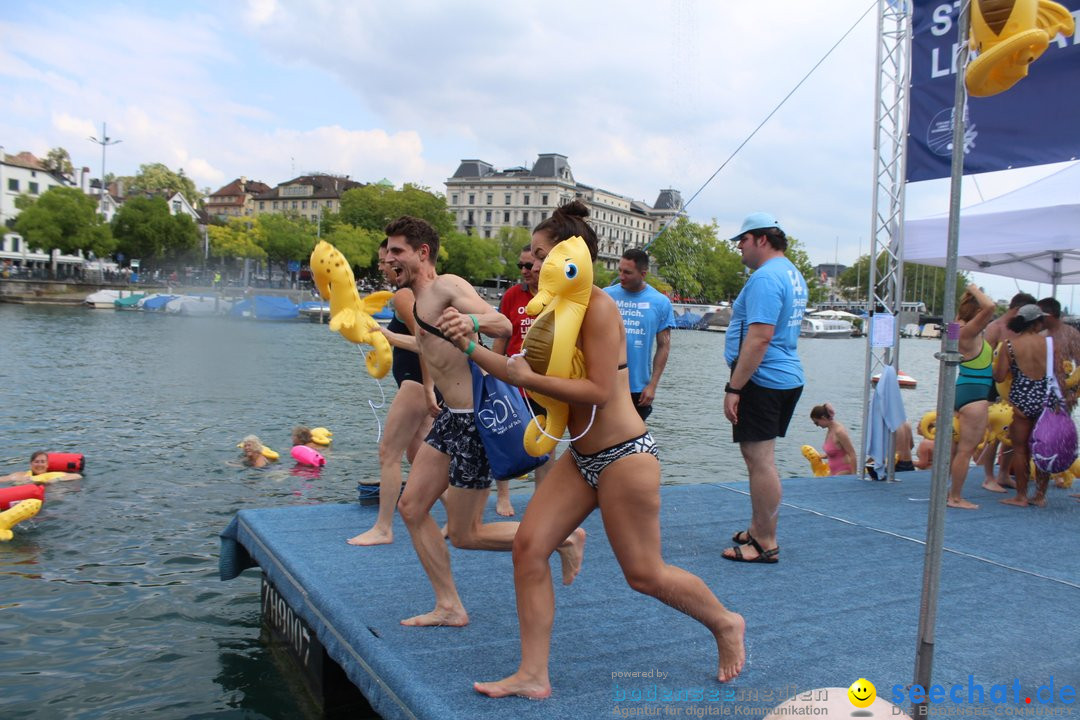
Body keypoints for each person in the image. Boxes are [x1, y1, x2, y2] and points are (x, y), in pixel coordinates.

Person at [466, 201, 744, 699]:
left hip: (623, 456)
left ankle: (725, 622)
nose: (532, 264)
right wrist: (466, 346)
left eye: (541, 253)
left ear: (573, 258)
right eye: (531, 254)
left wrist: (530, 377)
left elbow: (598, 390)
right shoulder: (552, 310)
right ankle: (533, 674)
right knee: (529, 549)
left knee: (644, 575)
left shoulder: (597, 308)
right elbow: (515, 372)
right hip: (581, 457)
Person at [385, 215, 585, 627]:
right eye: (387, 251)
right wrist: (379, 335)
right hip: (451, 421)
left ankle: (563, 538)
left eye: (397, 251)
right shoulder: (418, 301)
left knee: (466, 534)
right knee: (411, 506)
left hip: (475, 422)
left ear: (423, 253)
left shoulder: (447, 286)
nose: (389, 258)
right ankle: (449, 606)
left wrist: (473, 322)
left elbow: (503, 323)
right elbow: (428, 345)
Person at [722, 212, 807, 564]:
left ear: (761, 239)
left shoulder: (765, 278)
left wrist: (734, 387)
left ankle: (764, 541)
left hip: (763, 379)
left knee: (760, 461)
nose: (739, 247)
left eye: (742, 240)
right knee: (759, 459)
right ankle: (758, 528)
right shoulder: (793, 273)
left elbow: (759, 337)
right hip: (785, 374)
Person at [347, 242, 438, 546]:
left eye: (387, 259)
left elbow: (423, 341)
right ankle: (459, 515)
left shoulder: (404, 295)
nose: (383, 265)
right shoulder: (419, 294)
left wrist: (386, 335)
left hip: (415, 383)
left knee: (389, 453)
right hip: (420, 383)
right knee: (418, 454)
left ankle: (384, 528)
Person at [491, 244, 554, 510]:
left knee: (548, 443)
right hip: (513, 381)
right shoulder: (512, 296)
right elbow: (501, 338)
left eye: (529, 266)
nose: (525, 271)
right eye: (521, 266)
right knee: (506, 437)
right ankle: (503, 496)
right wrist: (491, 371)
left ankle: (542, 498)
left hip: (546, 382)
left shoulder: (556, 297)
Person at [603, 248, 675, 421]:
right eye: (619, 270)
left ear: (643, 274)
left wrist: (653, 385)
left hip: (637, 388)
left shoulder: (661, 303)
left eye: (627, 272)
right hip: (604, 382)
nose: (621, 276)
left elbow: (664, 346)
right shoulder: (605, 296)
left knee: (630, 442)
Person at [992, 304, 1051, 507]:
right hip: (1045, 400)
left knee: (1020, 449)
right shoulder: (1050, 344)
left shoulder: (1009, 345)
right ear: (1036, 322)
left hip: (1021, 400)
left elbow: (999, 376)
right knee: (1043, 449)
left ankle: (1021, 496)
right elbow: (1060, 374)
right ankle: (1041, 495)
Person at [948, 284, 997, 509]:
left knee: (955, 450)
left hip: (961, 390)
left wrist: (967, 300)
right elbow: (991, 306)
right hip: (975, 395)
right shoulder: (969, 331)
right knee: (966, 450)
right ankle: (955, 497)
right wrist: (973, 288)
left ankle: (947, 492)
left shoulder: (956, 328)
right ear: (978, 313)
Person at [981, 292, 1035, 492]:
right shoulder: (995, 328)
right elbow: (984, 359)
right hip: (994, 385)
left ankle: (1003, 473)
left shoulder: (1021, 330)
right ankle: (988, 476)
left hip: (1016, 387)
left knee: (1013, 433)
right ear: (1017, 310)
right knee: (994, 433)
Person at [1037, 297, 1080, 411]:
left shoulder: (1071, 334)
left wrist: (1074, 394)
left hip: (1062, 393)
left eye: (1039, 315)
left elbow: (1079, 366)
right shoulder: (1040, 335)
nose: (1037, 319)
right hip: (1038, 393)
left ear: (1049, 315)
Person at [809, 404, 856, 475]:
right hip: (833, 472)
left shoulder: (839, 432)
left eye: (816, 422)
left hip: (844, 471)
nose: (817, 425)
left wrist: (853, 477)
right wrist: (820, 456)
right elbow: (836, 452)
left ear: (823, 418)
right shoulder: (830, 430)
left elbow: (852, 454)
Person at [1, 451, 82, 483]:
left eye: (42, 462)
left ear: (47, 465)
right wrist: (21, 480)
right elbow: (3, 479)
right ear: (31, 464)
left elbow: (77, 476)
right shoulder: (22, 475)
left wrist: (56, 479)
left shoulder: (54, 475)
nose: (39, 465)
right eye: (36, 462)